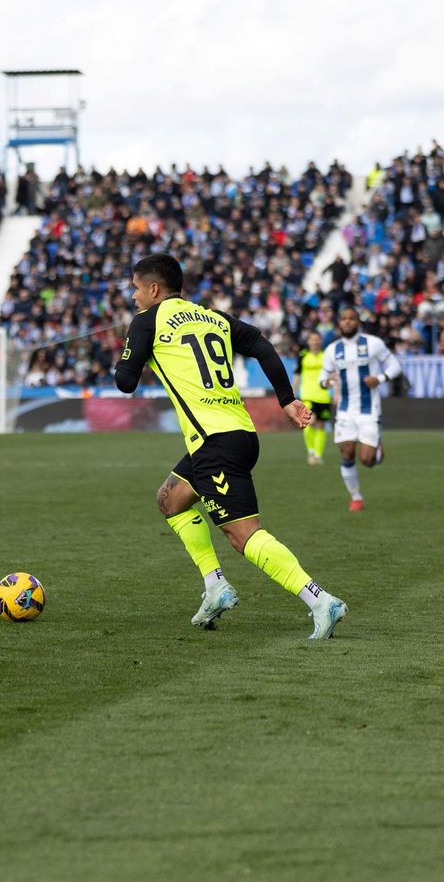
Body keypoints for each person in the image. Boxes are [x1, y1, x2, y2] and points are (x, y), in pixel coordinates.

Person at [112, 254, 348, 640]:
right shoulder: (211, 317)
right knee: (170, 499)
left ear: (153, 289)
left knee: (243, 535)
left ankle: (320, 599)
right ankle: (215, 586)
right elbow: (261, 344)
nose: (134, 295)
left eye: (136, 288)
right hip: (236, 432)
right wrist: (286, 399)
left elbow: (125, 382)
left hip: (213, 443)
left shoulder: (146, 322)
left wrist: (130, 345)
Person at [319, 308, 402, 512]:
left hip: (369, 409)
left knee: (367, 460)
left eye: (351, 319)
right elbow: (323, 376)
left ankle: (377, 451)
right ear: (339, 323)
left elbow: (395, 366)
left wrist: (380, 379)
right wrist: (325, 382)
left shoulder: (373, 343)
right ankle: (356, 497)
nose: (347, 322)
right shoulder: (332, 349)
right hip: (345, 410)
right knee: (346, 452)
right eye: (344, 319)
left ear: (358, 322)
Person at [297, 333, 332, 465]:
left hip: (323, 396)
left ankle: (318, 455)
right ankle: (311, 451)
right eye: (313, 339)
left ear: (321, 341)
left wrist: (337, 391)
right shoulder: (303, 356)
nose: (315, 342)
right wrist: (292, 393)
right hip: (308, 395)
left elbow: (333, 375)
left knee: (321, 426)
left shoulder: (326, 356)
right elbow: (297, 374)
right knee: (310, 421)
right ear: (309, 341)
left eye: (317, 339)